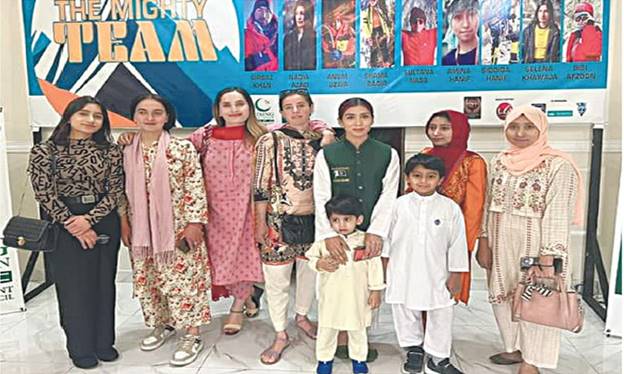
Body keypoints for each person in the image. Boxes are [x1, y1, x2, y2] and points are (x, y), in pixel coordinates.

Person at [476, 105, 583, 374]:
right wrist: (484, 240)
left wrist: (549, 256)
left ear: (541, 129)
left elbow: (558, 213)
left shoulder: (558, 165)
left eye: (528, 127)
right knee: (503, 296)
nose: (520, 133)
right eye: (514, 126)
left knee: (539, 301)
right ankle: (515, 347)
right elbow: (489, 204)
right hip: (502, 242)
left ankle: (532, 361)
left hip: (538, 246)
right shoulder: (499, 161)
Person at [28, 96, 124, 369]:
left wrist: (89, 220)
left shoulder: (110, 151)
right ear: (69, 116)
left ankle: (103, 343)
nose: (91, 120)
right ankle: (80, 347)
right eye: (84, 114)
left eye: (97, 116)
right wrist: (73, 223)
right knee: (74, 288)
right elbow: (44, 193)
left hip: (104, 221)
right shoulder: (45, 151)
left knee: (104, 284)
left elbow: (115, 190)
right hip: (63, 223)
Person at [120, 94, 211, 366]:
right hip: (141, 231)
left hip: (178, 229)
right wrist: (124, 221)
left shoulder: (182, 149)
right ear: (134, 116)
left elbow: (195, 185)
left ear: (167, 117)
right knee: (150, 280)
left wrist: (195, 224)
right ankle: (162, 323)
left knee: (184, 283)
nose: (150, 118)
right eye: (143, 112)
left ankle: (192, 334)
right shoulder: (124, 149)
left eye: (157, 112)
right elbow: (119, 192)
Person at [314, 97, 400, 362]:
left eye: (364, 116)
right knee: (338, 283)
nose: (358, 122)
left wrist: (377, 231)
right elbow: (321, 195)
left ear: (372, 120)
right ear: (341, 122)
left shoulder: (387, 153)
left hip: (370, 234)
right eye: (350, 117)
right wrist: (329, 234)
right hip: (337, 233)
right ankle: (338, 338)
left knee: (366, 285)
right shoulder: (327, 154)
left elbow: (389, 195)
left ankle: (360, 339)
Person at [254, 89, 328, 365]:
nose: (296, 111)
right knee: (277, 281)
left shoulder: (324, 139)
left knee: (310, 274)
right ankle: (280, 332)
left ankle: (302, 316)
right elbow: (259, 187)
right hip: (277, 220)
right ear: (282, 112)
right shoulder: (269, 140)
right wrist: (260, 222)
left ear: (311, 107)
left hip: (315, 220)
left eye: (301, 105)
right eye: (289, 107)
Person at [383, 154, 468, 374]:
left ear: (440, 179)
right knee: (404, 308)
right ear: (408, 178)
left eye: (430, 176)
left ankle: (438, 358)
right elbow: (386, 239)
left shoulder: (450, 208)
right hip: (403, 268)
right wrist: (383, 269)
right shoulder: (398, 206)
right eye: (417, 176)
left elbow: (458, 244)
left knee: (441, 311)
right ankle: (413, 349)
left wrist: (456, 274)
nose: (423, 181)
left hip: (437, 271)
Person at [306, 195, 385, 374]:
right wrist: (319, 264)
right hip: (331, 296)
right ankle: (324, 360)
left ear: (359, 219)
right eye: (335, 220)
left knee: (358, 329)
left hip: (358, 296)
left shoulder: (366, 241)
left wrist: (375, 290)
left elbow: (375, 266)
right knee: (327, 329)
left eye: (347, 219)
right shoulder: (325, 242)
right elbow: (311, 258)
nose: (341, 224)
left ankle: (359, 359)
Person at [420, 110, 487, 304]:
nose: (436, 133)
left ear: (459, 130)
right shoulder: (425, 155)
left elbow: (474, 209)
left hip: (451, 237)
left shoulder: (472, 162)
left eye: (444, 128)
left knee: (443, 294)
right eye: (432, 128)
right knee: (420, 288)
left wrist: (462, 249)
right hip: (421, 233)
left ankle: (435, 334)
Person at [442, 0, 479, 65]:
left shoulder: (489, 54)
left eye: (471, 15)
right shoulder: (446, 61)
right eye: (458, 17)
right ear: (450, 22)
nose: (466, 24)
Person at [245, 0, 278, 71]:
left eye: (267, 11)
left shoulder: (281, 36)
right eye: (260, 10)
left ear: (272, 15)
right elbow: (246, 65)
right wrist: (269, 55)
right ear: (253, 13)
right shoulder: (245, 36)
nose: (263, 14)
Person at [284, 0, 317, 70]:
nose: (299, 17)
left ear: (308, 15)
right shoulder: (288, 38)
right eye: (296, 14)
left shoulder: (315, 38)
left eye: (302, 13)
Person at [362, 0, 393, 67]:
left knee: (384, 46)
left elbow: (386, 19)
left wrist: (388, 31)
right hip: (372, 30)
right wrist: (368, 35)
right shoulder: (366, 10)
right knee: (374, 48)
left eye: (374, 0)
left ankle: (386, 62)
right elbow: (365, 22)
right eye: (371, 1)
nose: (373, 2)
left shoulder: (380, 7)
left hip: (381, 29)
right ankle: (373, 64)